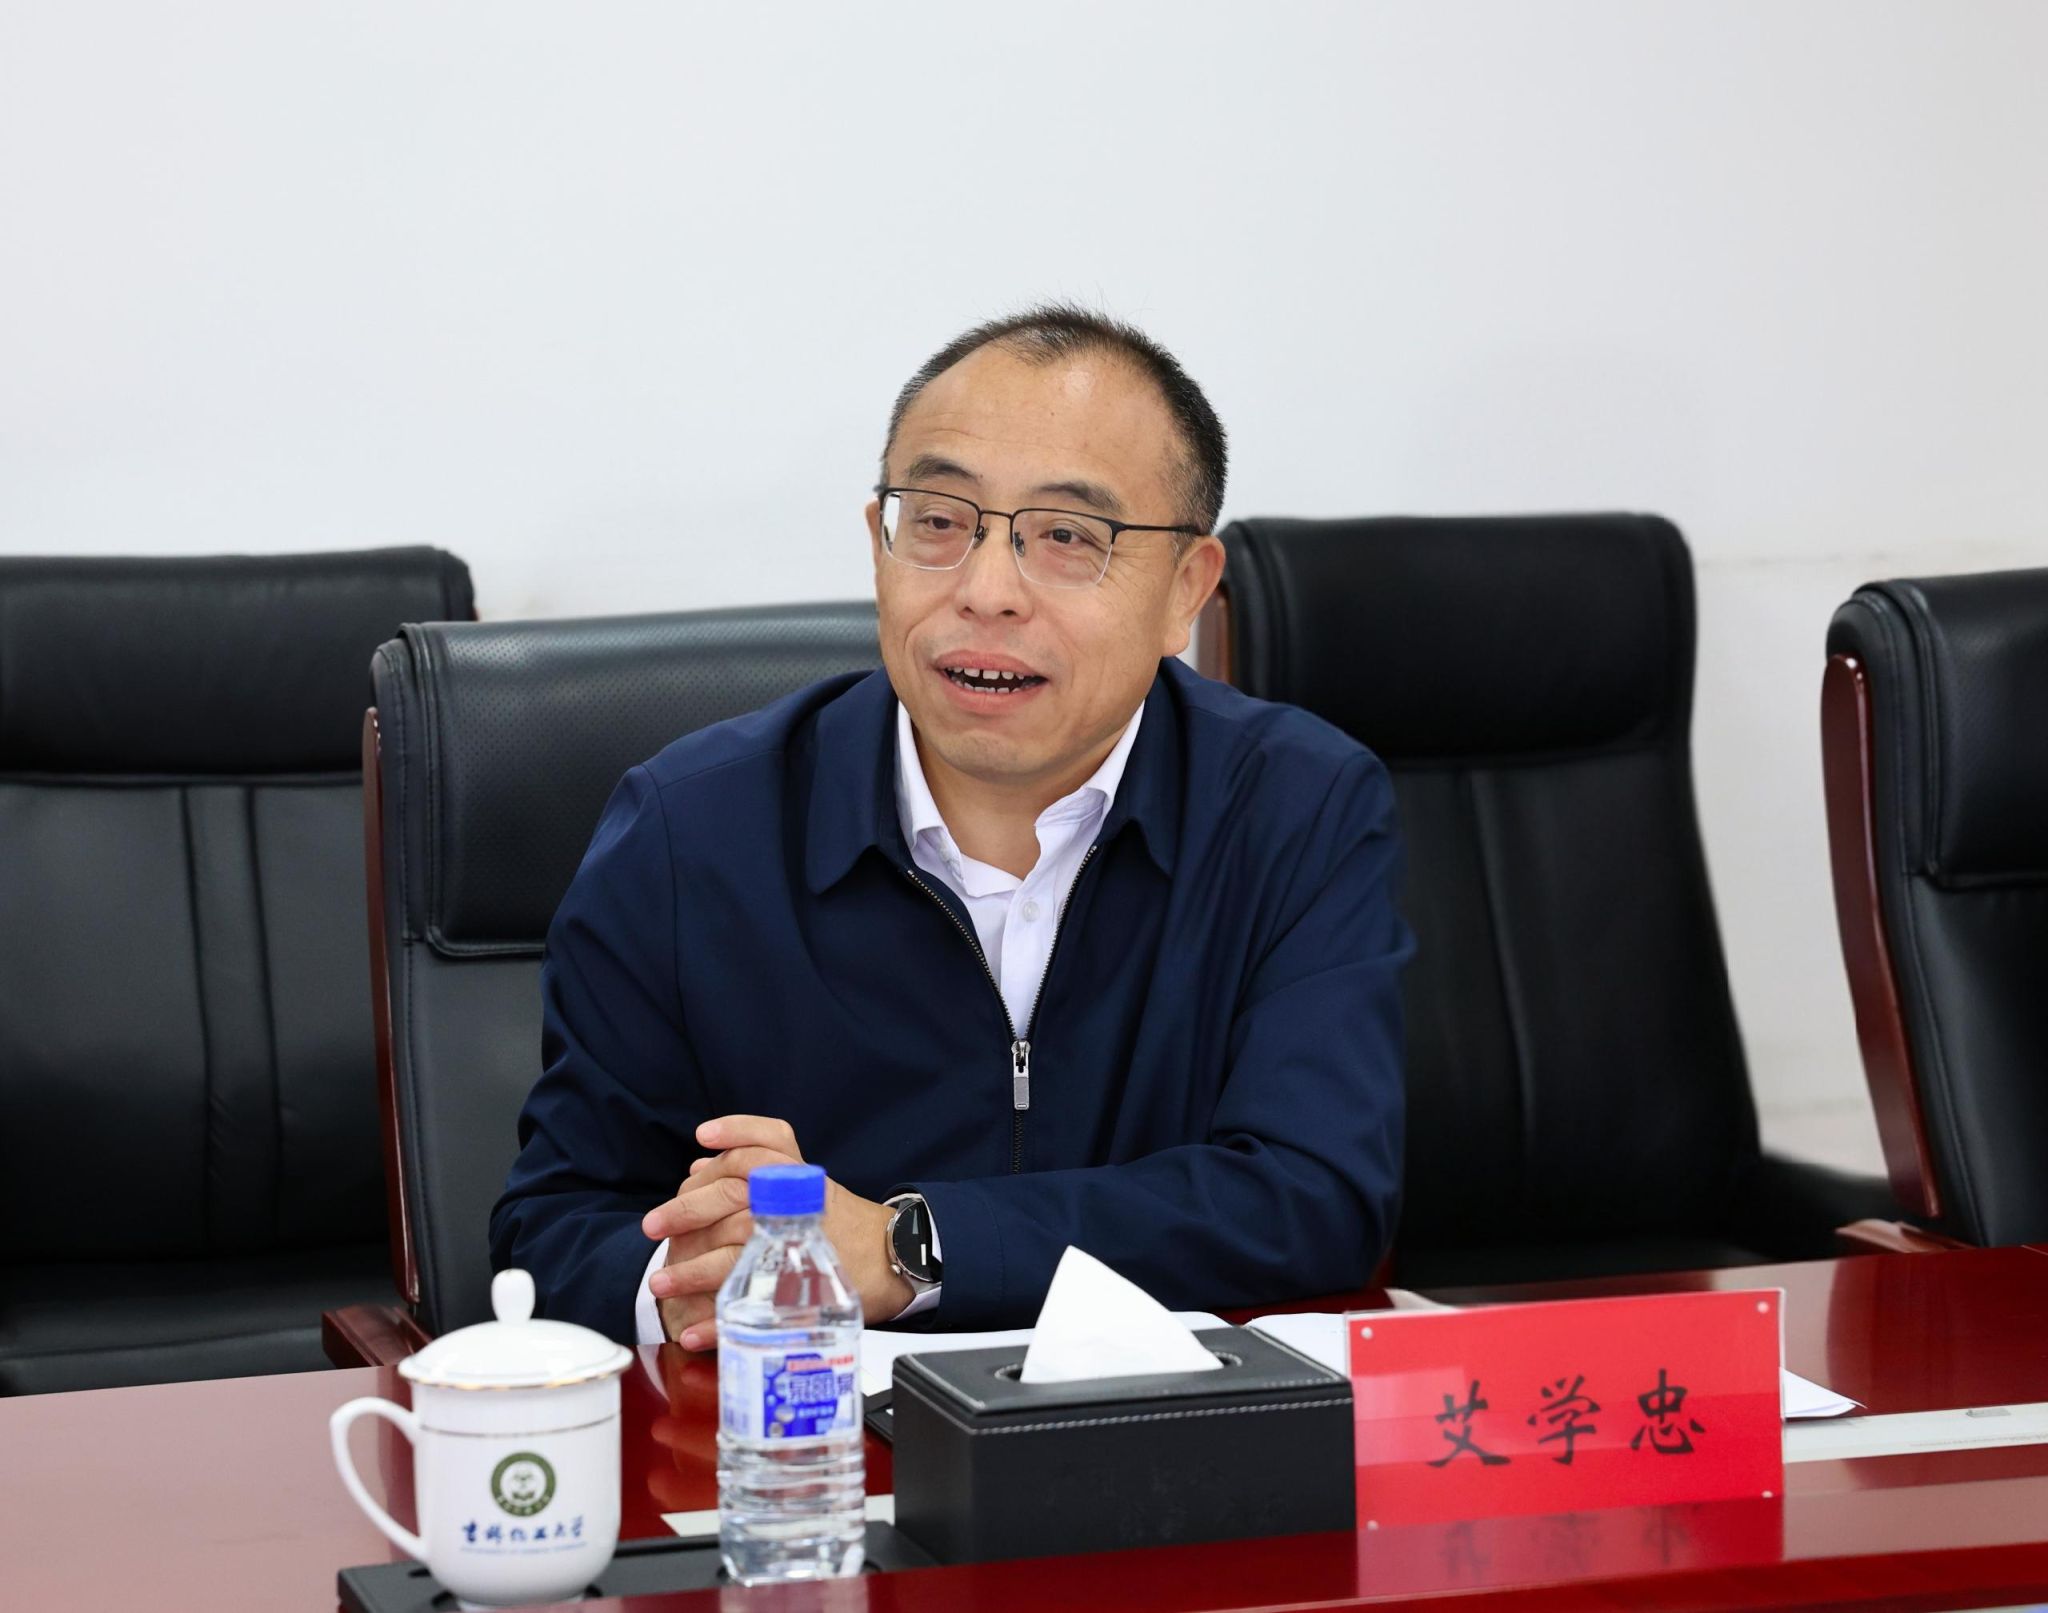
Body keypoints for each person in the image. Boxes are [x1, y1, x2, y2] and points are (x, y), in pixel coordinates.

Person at [490, 305, 1411, 1348]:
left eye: (1067, 536)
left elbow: (1313, 1195)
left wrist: (907, 1247)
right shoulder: (690, 829)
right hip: (809, 1423)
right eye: (937, 521)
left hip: (1162, 1426)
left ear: (1184, 592)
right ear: (877, 543)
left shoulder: (1295, 805)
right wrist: (708, 1273)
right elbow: (554, 1230)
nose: (985, 591)